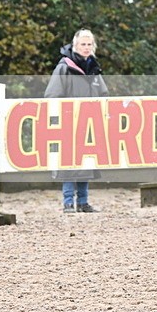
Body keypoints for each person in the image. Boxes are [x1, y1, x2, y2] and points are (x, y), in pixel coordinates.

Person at [44, 29, 108, 213]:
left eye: (89, 44)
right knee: (68, 161)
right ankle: (67, 202)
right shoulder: (64, 67)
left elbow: (103, 94)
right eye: (83, 44)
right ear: (75, 46)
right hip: (69, 122)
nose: (86, 48)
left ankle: (83, 201)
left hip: (90, 123)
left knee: (87, 161)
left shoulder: (94, 68)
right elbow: (52, 94)